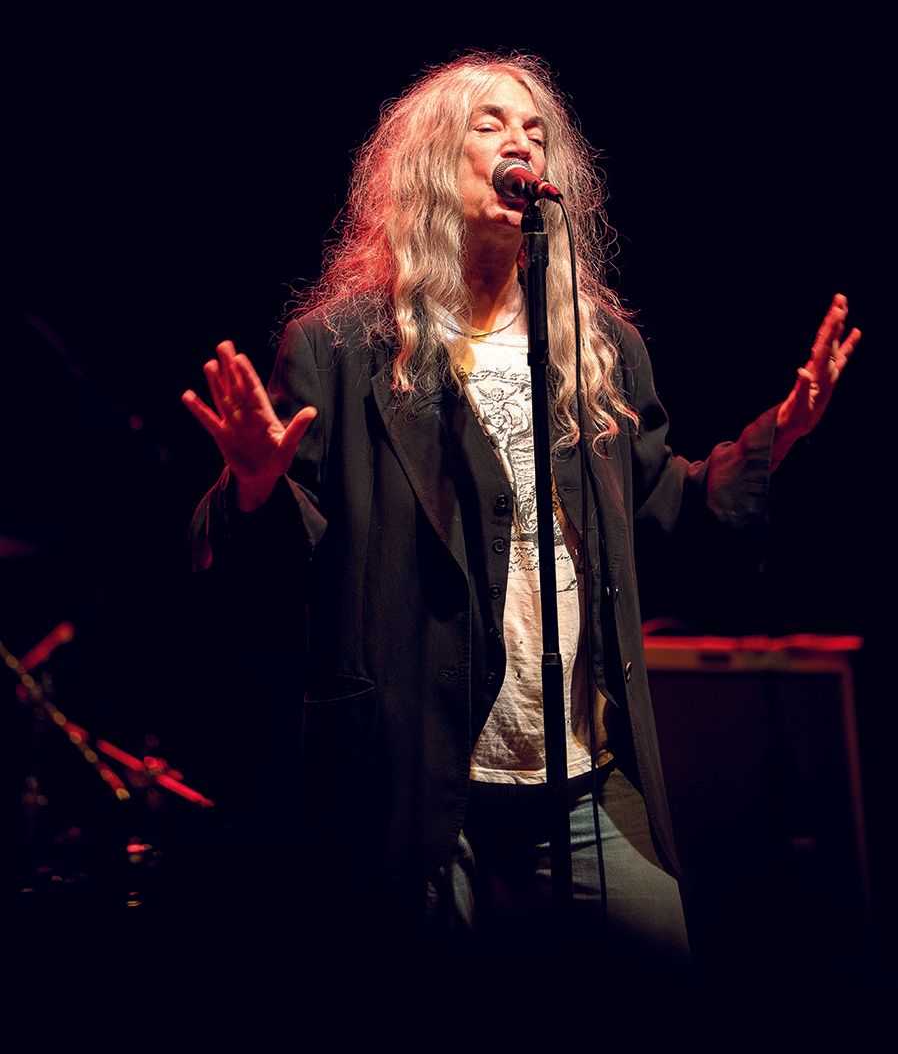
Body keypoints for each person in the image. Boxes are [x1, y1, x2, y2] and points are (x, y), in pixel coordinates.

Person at [182, 52, 859, 1001]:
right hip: (420, 789)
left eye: (537, 130)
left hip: (585, 780)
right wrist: (255, 485)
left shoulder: (597, 348)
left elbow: (667, 510)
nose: (522, 143)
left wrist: (777, 437)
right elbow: (274, 577)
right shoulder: (343, 348)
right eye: (492, 124)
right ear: (430, 162)